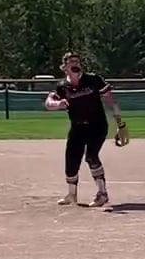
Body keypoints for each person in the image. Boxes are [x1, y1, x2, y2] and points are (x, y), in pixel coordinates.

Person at [43, 52, 127, 206]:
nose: (75, 64)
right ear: (65, 67)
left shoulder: (93, 80)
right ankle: (71, 194)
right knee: (71, 160)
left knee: (91, 156)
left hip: (97, 125)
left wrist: (120, 124)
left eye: (77, 61)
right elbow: (48, 103)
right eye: (71, 62)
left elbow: (111, 101)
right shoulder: (63, 86)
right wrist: (57, 104)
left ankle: (102, 194)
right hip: (77, 127)